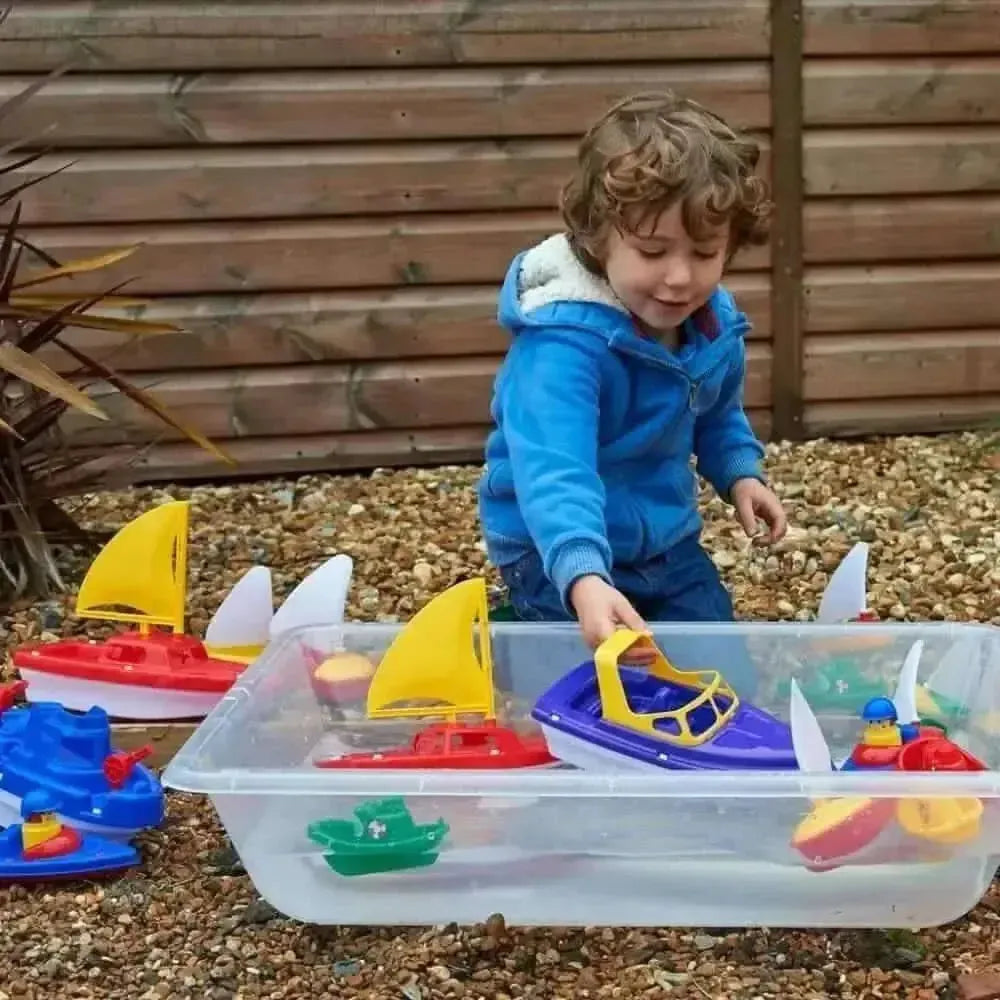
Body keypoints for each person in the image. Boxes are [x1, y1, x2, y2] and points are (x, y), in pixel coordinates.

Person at [477, 91, 788, 674]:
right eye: (652, 251)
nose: (678, 277)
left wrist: (741, 472)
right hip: (553, 546)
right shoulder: (560, 349)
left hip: (663, 541)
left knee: (725, 682)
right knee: (582, 697)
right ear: (597, 240)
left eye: (704, 252)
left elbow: (717, 413)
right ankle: (521, 628)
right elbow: (554, 470)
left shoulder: (711, 325)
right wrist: (582, 576)